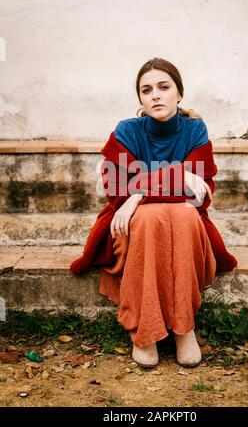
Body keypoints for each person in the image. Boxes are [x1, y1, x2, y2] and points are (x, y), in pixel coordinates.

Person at [70, 58, 238, 369]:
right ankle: (145, 332)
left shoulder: (194, 130)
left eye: (164, 87)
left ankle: (183, 329)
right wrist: (170, 179)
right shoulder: (127, 130)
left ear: (179, 93)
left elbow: (199, 195)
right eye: (146, 90)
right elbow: (115, 188)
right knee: (150, 217)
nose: (155, 95)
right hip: (132, 231)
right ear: (140, 99)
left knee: (184, 215)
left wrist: (140, 191)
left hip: (184, 228)